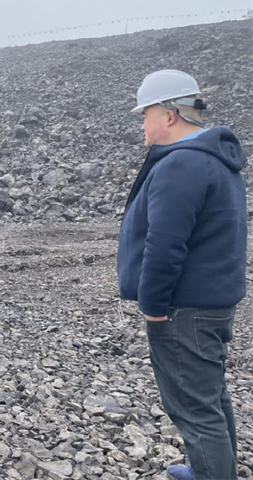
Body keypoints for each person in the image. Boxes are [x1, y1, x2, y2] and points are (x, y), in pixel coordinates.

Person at [117, 70, 247, 480]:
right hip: (210, 303)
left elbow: (165, 245)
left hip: (182, 310)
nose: (142, 124)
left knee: (193, 407)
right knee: (209, 396)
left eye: (145, 114)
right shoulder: (214, 158)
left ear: (169, 115)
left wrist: (153, 308)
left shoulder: (181, 164)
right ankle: (212, 469)